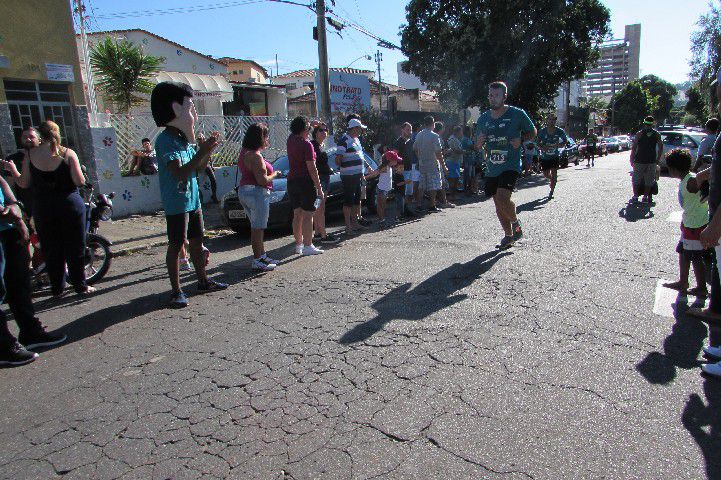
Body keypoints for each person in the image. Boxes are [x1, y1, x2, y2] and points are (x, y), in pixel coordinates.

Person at [150, 81, 228, 308]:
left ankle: (203, 281)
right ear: (175, 109)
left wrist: (207, 151)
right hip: (177, 203)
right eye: (191, 107)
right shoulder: (165, 140)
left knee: (197, 241)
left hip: (193, 200)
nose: (194, 113)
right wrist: (201, 152)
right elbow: (180, 173)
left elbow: (199, 168)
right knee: (176, 245)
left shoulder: (185, 141)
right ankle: (176, 291)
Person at [4, 121, 95, 296]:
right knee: (74, 246)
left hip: (44, 207)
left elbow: (23, 183)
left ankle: (58, 288)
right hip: (69, 204)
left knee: (51, 248)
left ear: (40, 136)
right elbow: (79, 181)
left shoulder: (30, 155)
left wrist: (13, 170)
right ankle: (80, 286)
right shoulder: (67, 153)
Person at [0, 175, 66, 366]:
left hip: (8, 227)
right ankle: (3, 345)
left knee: (19, 284)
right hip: (6, 220)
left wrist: (13, 204)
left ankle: (30, 332)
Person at [475, 81, 536, 250]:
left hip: (510, 164)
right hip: (492, 167)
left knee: (503, 198)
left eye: (496, 95)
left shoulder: (517, 114)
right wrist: (478, 143)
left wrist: (521, 140)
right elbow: (478, 144)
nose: (492, 99)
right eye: (490, 95)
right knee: (498, 204)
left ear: (504, 97)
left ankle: (516, 224)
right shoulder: (483, 118)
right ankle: (508, 236)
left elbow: (533, 131)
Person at [662, 149, 709, 297]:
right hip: (689, 223)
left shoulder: (690, 181)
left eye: (669, 168)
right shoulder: (687, 178)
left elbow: (699, 183)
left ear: (674, 169)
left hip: (695, 226)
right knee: (683, 252)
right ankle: (683, 281)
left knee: (696, 257)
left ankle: (701, 287)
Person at [237, 123, 280, 271]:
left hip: (245, 191)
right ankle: (257, 259)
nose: (267, 139)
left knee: (256, 226)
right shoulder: (256, 156)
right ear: (260, 138)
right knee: (258, 228)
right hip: (257, 193)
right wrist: (275, 174)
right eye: (266, 136)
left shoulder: (244, 152)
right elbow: (262, 180)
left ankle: (262, 255)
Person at [287, 116, 324, 255]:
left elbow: (299, 128)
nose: (310, 130)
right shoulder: (307, 144)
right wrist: (319, 188)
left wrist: (310, 124)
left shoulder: (290, 140)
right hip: (305, 181)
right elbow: (312, 168)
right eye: (308, 128)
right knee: (308, 214)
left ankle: (299, 245)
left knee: (297, 214)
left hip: (292, 181)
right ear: (304, 129)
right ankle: (308, 246)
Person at [335, 117, 368, 234]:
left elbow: (361, 156)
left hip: (357, 175)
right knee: (349, 201)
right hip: (348, 176)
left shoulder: (356, 140)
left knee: (356, 200)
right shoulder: (344, 140)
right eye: (359, 129)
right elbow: (338, 160)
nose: (360, 131)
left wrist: (362, 172)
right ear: (354, 128)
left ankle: (354, 224)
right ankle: (348, 227)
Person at [311, 123, 340, 244]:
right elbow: (314, 165)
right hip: (319, 179)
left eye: (326, 130)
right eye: (321, 130)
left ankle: (317, 233)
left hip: (325, 178)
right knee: (319, 208)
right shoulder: (312, 145)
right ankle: (323, 235)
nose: (324, 132)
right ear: (315, 132)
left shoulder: (322, 145)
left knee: (319, 207)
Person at [413, 116, 445, 213]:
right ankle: (432, 205)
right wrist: (444, 165)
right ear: (433, 123)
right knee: (433, 185)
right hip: (432, 164)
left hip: (422, 164)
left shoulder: (419, 134)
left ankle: (418, 205)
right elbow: (438, 152)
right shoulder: (434, 136)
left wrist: (420, 158)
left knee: (421, 185)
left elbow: (414, 148)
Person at [629, 116, 663, 204]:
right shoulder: (656, 134)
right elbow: (660, 147)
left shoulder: (639, 133)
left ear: (644, 124)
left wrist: (631, 158)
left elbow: (634, 147)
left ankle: (636, 196)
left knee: (636, 179)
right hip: (651, 160)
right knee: (649, 179)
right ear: (653, 124)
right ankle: (645, 196)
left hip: (639, 160)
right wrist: (658, 159)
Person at [365, 147, 401, 229]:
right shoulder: (384, 168)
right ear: (389, 160)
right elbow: (374, 174)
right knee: (380, 206)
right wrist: (365, 178)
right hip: (382, 189)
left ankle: (382, 220)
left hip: (386, 189)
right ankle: (382, 221)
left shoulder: (389, 167)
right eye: (395, 160)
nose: (396, 161)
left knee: (383, 206)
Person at [537, 114, 569, 199]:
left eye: (553, 120)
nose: (551, 121)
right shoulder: (542, 131)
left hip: (555, 156)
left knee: (554, 174)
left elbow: (565, 141)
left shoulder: (559, 131)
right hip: (545, 157)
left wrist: (560, 145)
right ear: (547, 120)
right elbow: (537, 142)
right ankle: (551, 179)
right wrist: (543, 147)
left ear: (555, 121)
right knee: (546, 174)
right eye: (550, 119)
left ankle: (551, 191)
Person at [394, 122, 417, 217]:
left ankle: (406, 209)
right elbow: (394, 156)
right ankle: (400, 213)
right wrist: (398, 170)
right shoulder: (398, 142)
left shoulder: (411, 141)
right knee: (401, 192)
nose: (410, 132)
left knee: (409, 192)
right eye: (408, 129)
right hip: (401, 169)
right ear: (402, 130)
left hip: (410, 168)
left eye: (410, 130)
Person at [445, 125, 464, 201]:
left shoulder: (455, 139)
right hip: (452, 162)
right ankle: (452, 196)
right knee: (452, 179)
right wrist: (464, 151)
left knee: (455, 179)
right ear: (458, 131)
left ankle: (453, 195)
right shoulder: (453, 139)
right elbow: (456, 150)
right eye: (461, 131)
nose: (462, 133)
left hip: (455, 161)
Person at [461, 126, 478, 194]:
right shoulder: (466, 139)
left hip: (470, 160)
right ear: (467, 131)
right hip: (468, 160)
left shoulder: (466, 139)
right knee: (468, 175)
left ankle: (469, 189)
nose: (471, 132)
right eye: (470, 131)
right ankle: (468, 190)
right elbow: (474, 148)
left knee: (470, 175)